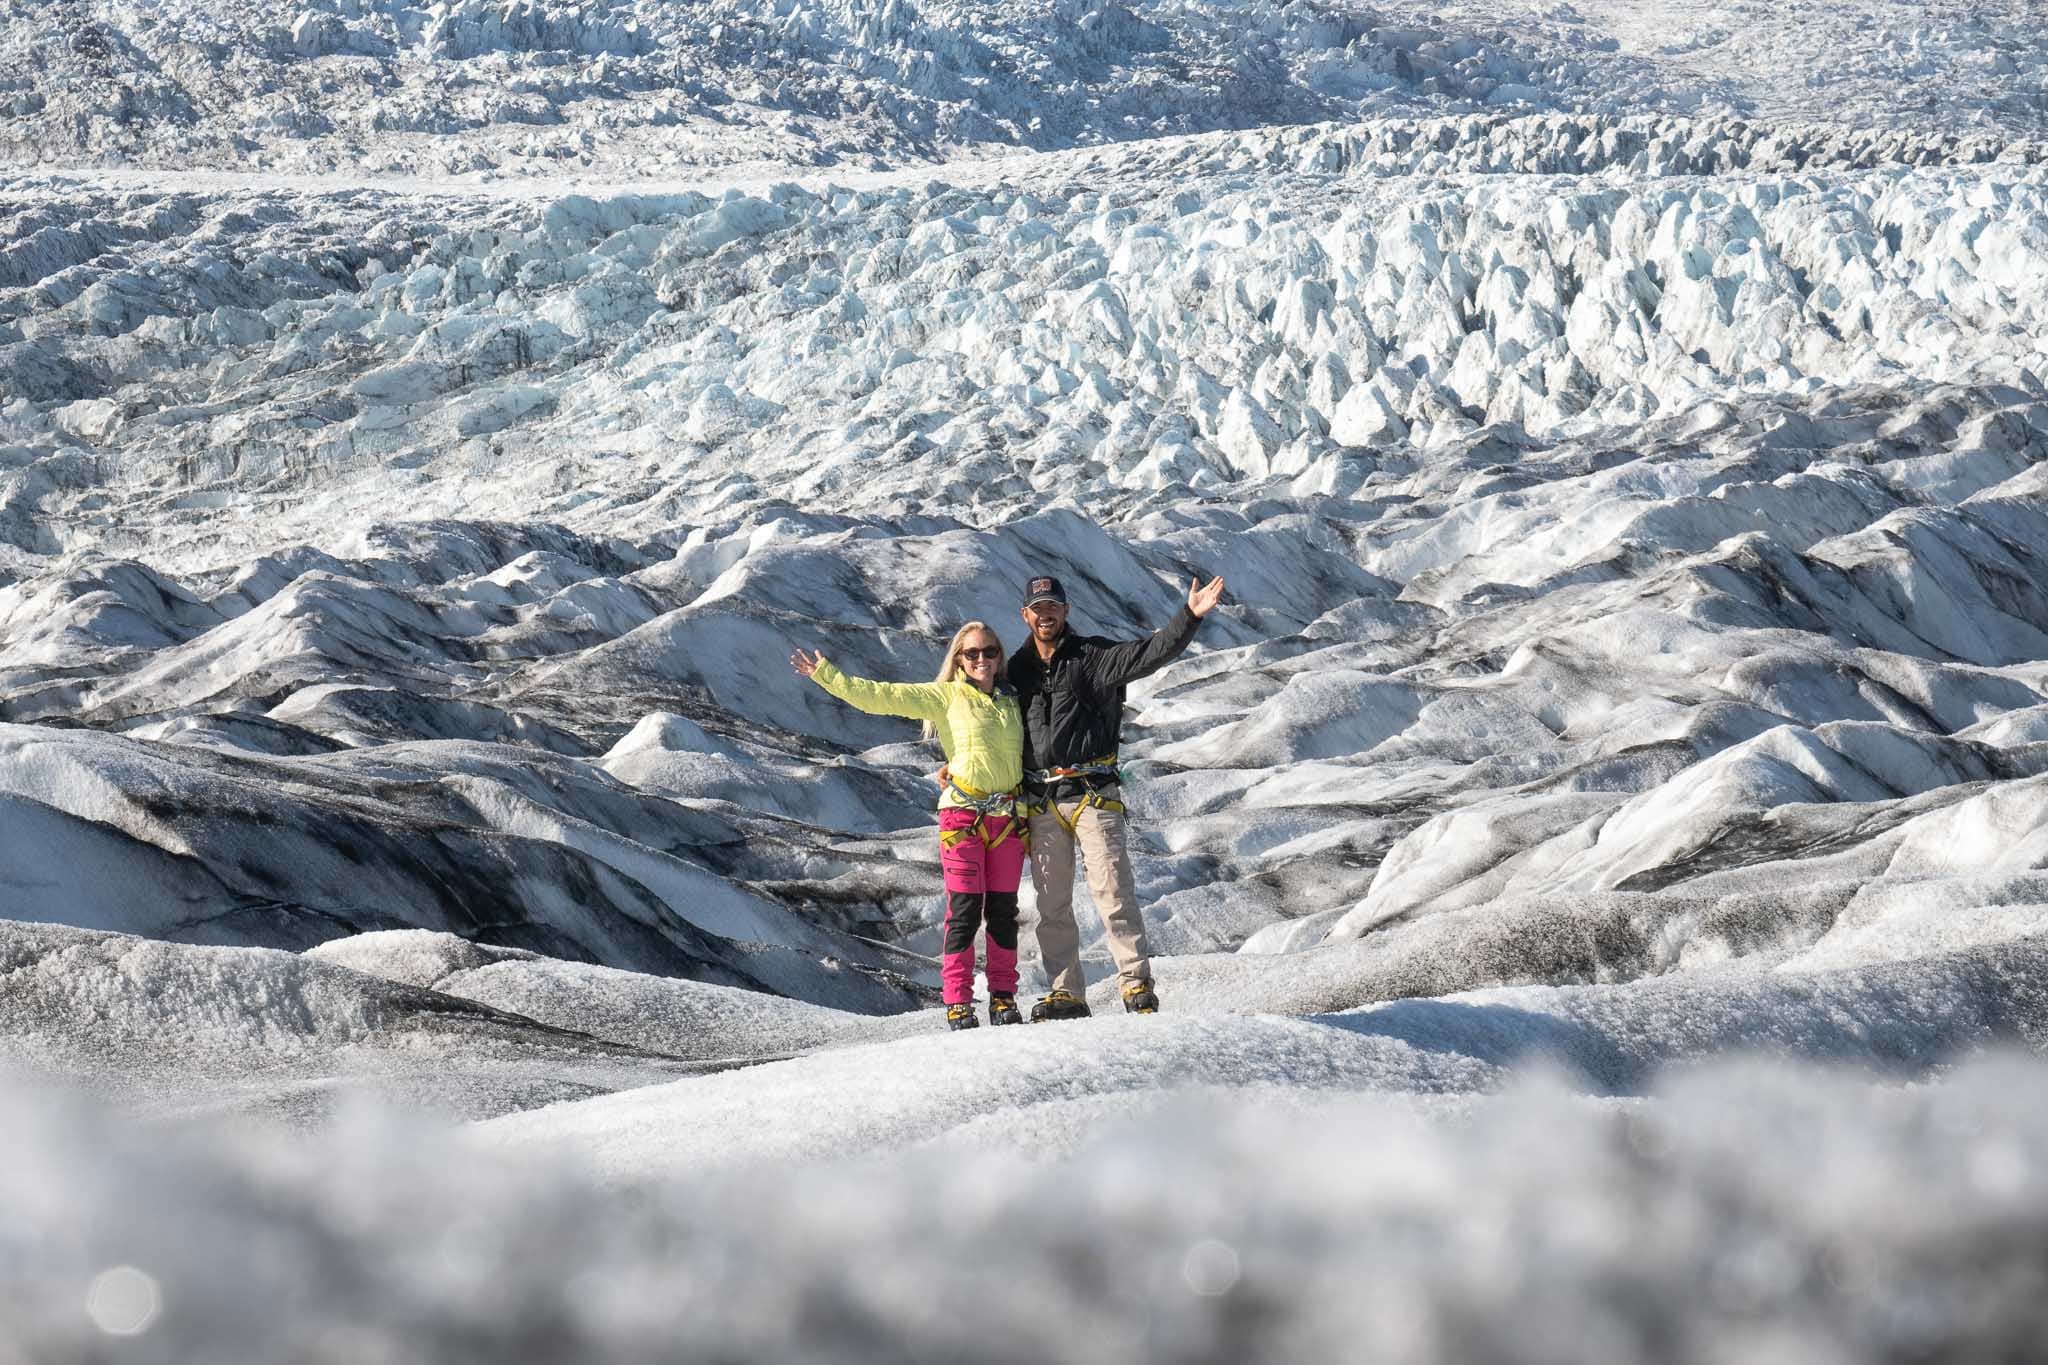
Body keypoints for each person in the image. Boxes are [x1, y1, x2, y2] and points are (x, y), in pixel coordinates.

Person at [791, 623, 1028, 1031]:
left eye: (989, 651)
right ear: (958, 659)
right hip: (963, 816)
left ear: (999, 655)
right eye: (971, 653)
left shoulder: (1012, 699)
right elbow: (881, 697)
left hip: (1007, 817)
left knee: (1004, 912)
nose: (982, 660)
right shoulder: (946, 696)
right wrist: (827, 676)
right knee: (966, 910)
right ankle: (958, 1001)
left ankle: (1003, 998)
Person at [1011, 572, 1226, 1019]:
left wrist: (1188, 617)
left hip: (1093, 795)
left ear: (1066, 611)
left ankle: (1136, 986)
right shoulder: (1016, 671)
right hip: (1041, 801)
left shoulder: (1093, 657)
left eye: (1054, 605)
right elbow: (981, 719)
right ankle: (1066, 994)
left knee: (1113, 893)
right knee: (1050, 903)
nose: (1046, 613)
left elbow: (1148, 654)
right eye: (1038, 607)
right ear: (1025, 615)